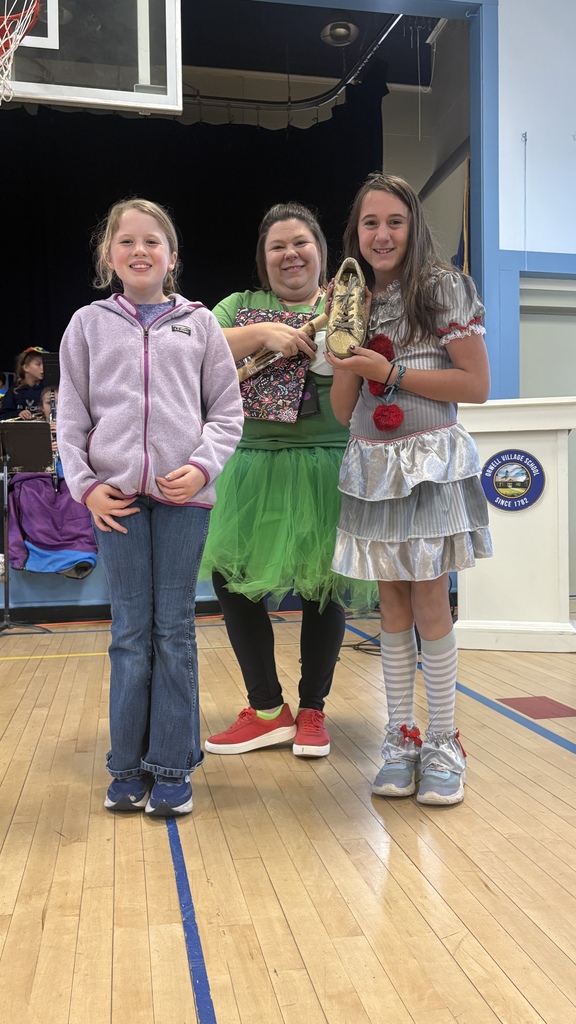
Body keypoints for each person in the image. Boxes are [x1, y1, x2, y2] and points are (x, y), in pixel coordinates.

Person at [57, 198, 243, 816]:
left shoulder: (200, 324)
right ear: (108, 256)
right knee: (130, 634)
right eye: (126, 241)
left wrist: (200, 468)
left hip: (182, 501)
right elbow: (72, 418)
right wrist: (85, 486)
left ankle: (171, 765)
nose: (140, 251)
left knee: (175, 630)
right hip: (117, 504)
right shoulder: (86, 325)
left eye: (153, 241)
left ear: (172, 255)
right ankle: (127, 765)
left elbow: (225, 412)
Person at [326, 173, 492, 806]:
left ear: (413, 225)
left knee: (428, 594)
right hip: (372, 466)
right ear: (356, 233)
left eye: (394, 221)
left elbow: (475, 386)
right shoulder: (352, 300)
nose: (382, 234)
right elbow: (345, 409)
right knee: (389, 599)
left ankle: (445, 740)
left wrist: (390, 370)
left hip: (430, 464)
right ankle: (400, 737)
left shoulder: (442, 287)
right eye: (370, 223)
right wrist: (348, 345)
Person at [202, 201, 375, 759]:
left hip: (329, 461)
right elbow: (196, 346)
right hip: (250, 463)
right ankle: (267, 708)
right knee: (232, 580)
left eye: (300, 242)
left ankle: (313, 711)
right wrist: (264, 335)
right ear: (264, 257)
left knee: (323, 588)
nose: (289, 253)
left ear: (321, 252)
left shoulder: (345, 303)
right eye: (277, 245)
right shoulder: (240, 306)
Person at [8, 386, 99, 577]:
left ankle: (78, 552)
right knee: (30, 496)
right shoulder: (32, 428)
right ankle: (35, 551)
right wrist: (42, 445)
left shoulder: (79, 425)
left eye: (59, 402)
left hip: (69, 476)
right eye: (50, 403)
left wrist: (66, 439)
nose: (55, 406)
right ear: (41, 407)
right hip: (39, 477)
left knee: (76, 501)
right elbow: (19, 461)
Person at [0, 347, 46, 420]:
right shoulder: (15, 390)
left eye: (44, 364)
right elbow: (3, 415)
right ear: (26, 367)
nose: (43, 368)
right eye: (38, 364)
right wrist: (19, 413)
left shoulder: (47, 389)